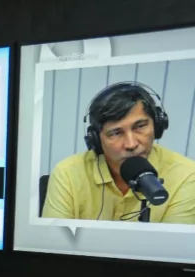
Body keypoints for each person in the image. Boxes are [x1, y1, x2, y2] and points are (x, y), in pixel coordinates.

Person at [43, 82, 195, 223]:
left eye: (140, 126)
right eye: (116, 133)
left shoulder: (186, 175)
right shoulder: (68, 173)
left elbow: (170, 249)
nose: (131, 144)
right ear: (96, 140)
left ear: (157, 125)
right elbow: (53, 243)